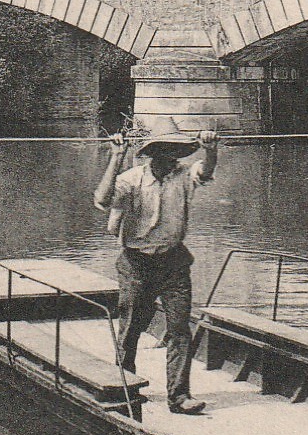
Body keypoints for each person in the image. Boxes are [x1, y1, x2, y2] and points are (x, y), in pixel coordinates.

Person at [93, 121, 220, 414]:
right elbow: (103, 199)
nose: (174, 156)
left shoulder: (185, 177)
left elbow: (207, 171)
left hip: (174, 262)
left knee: (179, 330)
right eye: (167, 150)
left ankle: (179, 396)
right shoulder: (131, 179)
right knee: (131, 328)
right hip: (136, 263)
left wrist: (211, 150)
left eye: (177, 150)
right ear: (154, 153)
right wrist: (116, 157)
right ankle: (125, 385)